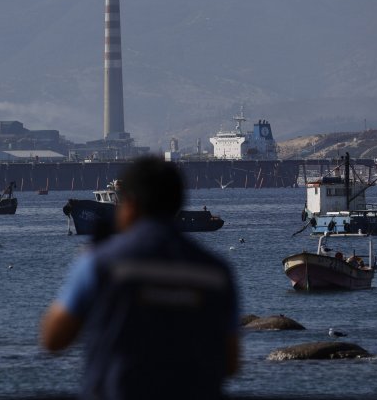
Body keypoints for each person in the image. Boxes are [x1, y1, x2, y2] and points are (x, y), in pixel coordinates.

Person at [40, 156, 240, 400]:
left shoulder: (99, 263)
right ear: (176, 203)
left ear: (130, 205)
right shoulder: (216, 272)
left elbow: (53, 339)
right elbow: (231, 363)